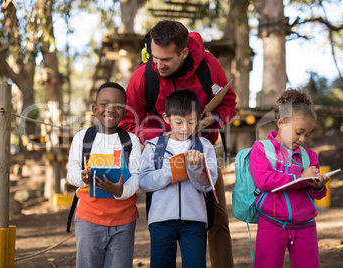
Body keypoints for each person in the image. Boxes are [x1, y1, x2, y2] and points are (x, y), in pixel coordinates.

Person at [119, 20, 235, 267]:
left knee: (218, 218)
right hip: (161, 151)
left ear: (184, 52)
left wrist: (210, 120)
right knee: (163, 224)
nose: (158, 65)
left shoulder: (209, 66)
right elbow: (129, 123)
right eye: (154, 57)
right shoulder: (143, 76)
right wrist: (167, 134)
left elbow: (229, 105)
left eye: (166, 60)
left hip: (202, 149)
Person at [249, 88, 330, 268]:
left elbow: (316, 195)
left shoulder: (310, 157)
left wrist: (318, 186)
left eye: (306, 135)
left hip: (305, 226)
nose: (302, 139)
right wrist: (299, 177)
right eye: (299, 132)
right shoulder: (261, 149)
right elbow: (264, 181)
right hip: (271, 223)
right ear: (281, 123)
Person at [139, 90, 218, 267]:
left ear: (198, 119)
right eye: (178, 122)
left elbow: (208, 185)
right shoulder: (153, 146)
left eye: (191, 122)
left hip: (194, 220)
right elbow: (145, 182)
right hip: (161, 220)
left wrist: (196, 169)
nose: (185, 128)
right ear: (166, 118)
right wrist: (171, 170)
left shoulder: (204, 146)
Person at [67, 82, 141, 268]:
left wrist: (120, 190)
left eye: (118, 106)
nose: (111, 109)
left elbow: (136, 177)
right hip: (89, 219)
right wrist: (82, 179)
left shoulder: (131, 141)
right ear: (94, 109)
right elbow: (72, 172)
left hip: (123, 221)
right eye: (104, 104)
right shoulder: (83, 138)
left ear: (125, 112)